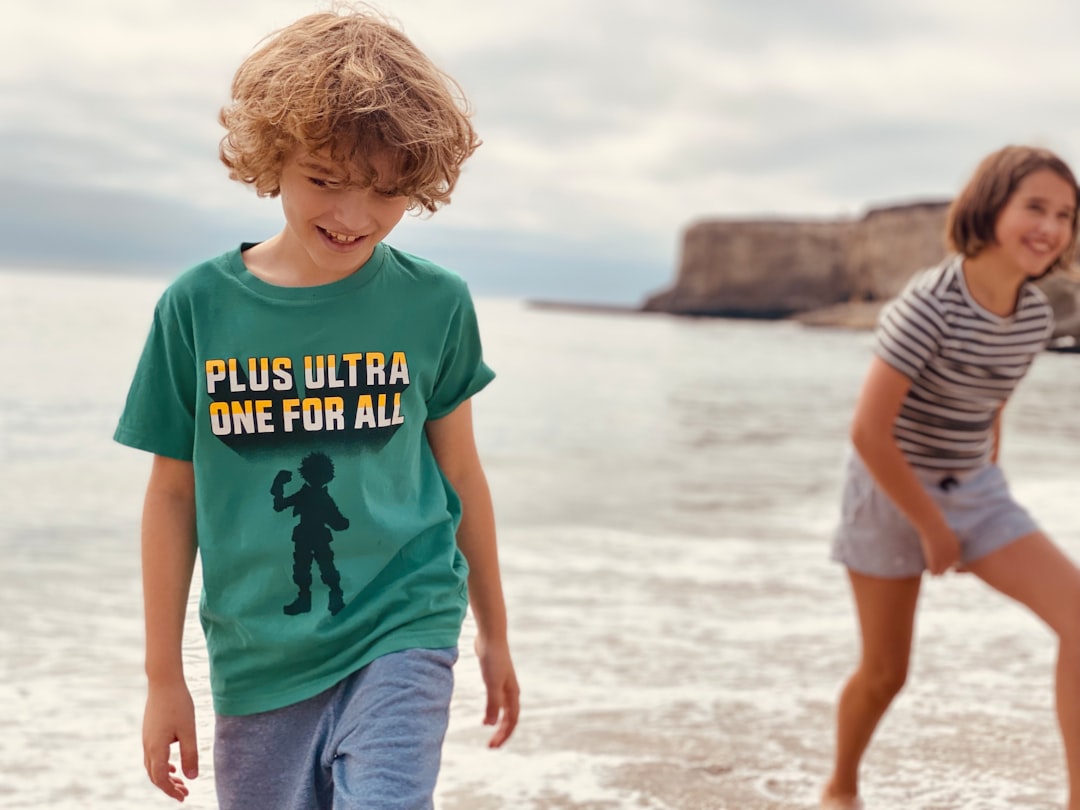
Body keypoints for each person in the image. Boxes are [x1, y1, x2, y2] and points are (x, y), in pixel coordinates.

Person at [114, 8, 520, 808]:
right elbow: (172, 493)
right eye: (324, 181)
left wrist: (494, 632)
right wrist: (165, 679)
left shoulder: (434, 303)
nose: (353, 217)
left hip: (405, 621)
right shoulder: (195, 308)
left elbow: (460, 470)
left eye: (385, 191)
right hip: (259, 657)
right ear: (272, 159)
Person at [822, 145, 1080, 810]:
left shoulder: (1034, 317)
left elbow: (991, 401)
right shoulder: (928, 306)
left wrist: (984, 493)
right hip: (886, 491)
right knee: (886, 673)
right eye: (1035, 208)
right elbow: (868, 433)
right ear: (990, 208)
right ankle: (840, 788)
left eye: (1065, 215)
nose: (1050, 228)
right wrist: (933, 527)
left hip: (973, 488)